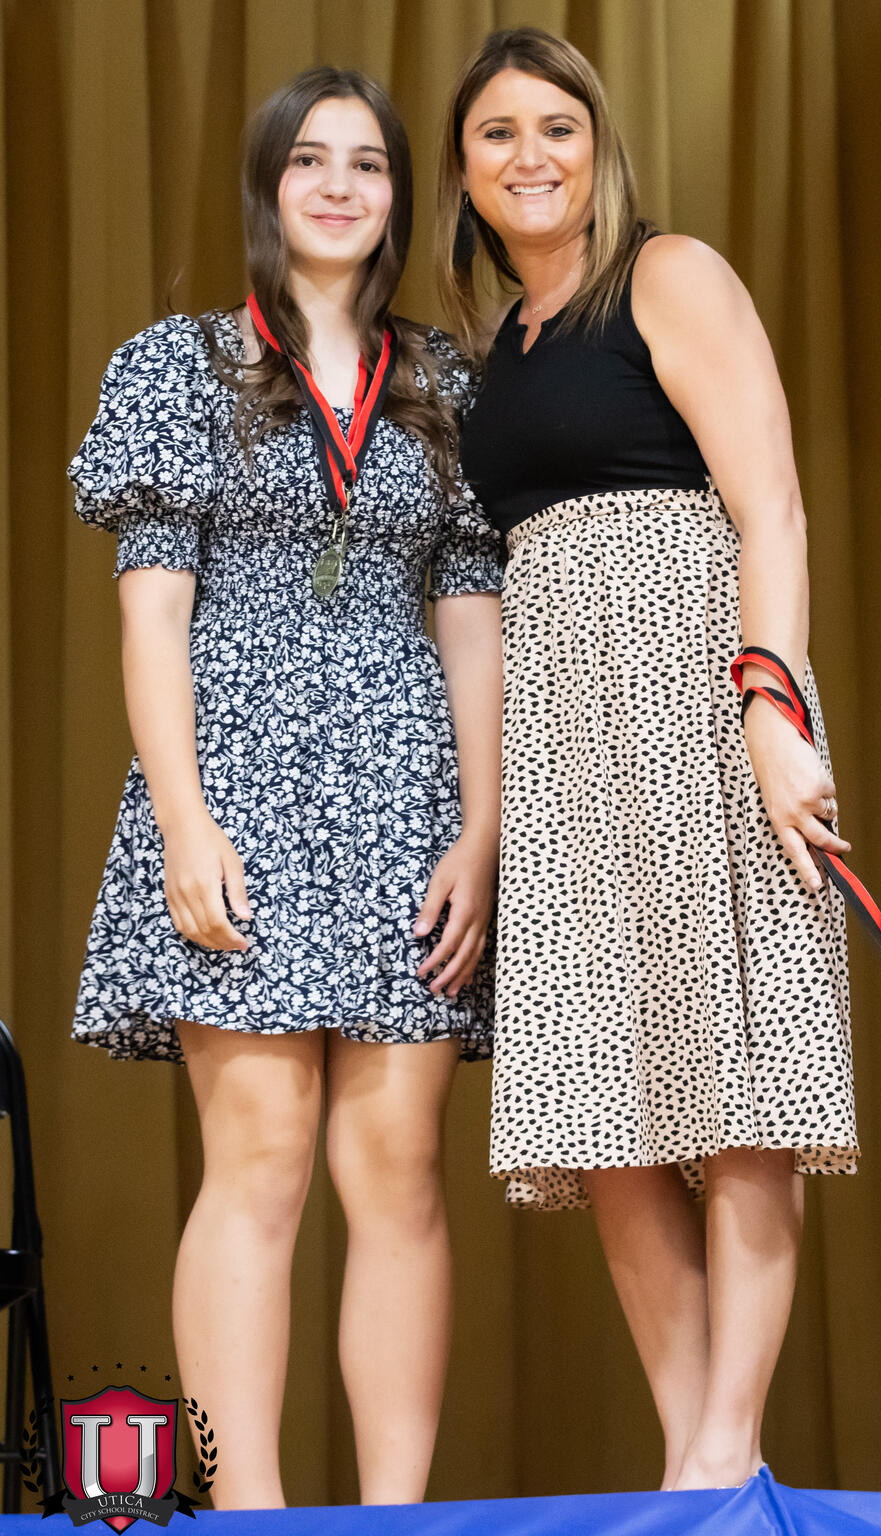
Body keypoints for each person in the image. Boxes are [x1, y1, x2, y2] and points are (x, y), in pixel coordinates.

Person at [68, 65, 504, 1509]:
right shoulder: (178, 364)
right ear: (267, 186)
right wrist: (183, 821)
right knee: (257, 1164)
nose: (337, 185)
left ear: (399, 197)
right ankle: (248, 1516)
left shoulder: (443, 382)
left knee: (401, 1169)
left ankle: (394, 1521)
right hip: (237, 787)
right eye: (309, 160)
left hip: (408, 794)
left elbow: (473, 621)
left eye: (367, 164)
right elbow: (152, 616)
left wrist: (483, 830)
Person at [438, 27, 857, 1492]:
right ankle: (699, 1465)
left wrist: (772, 709)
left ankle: (725, 1450)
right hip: (565, 743)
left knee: (740, 1084)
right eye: (498, 133)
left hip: (696, 699)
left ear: (599, 146)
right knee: (602, 1108)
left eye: (558, 126)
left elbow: (773, 509)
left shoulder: (668, 276)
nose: (531, 155)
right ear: (462, 172)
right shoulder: (499, 349)